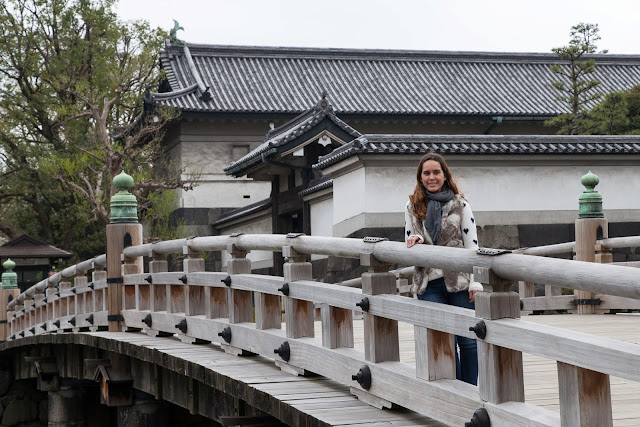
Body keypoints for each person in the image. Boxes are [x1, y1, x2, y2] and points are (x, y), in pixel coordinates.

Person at [404, 152, 481, 385]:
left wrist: (476, 281)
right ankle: (454, 388)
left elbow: (473, 245)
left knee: (468, 340)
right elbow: (408, 239)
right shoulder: (412, 205)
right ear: (420, 177)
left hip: (459, 281)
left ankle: (469, 387)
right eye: (426, 173)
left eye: (436, 172)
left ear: (445, 175)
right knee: (442, 337)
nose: (431, 177)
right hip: (429, 283)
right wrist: (415, 240)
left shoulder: (460, 204)